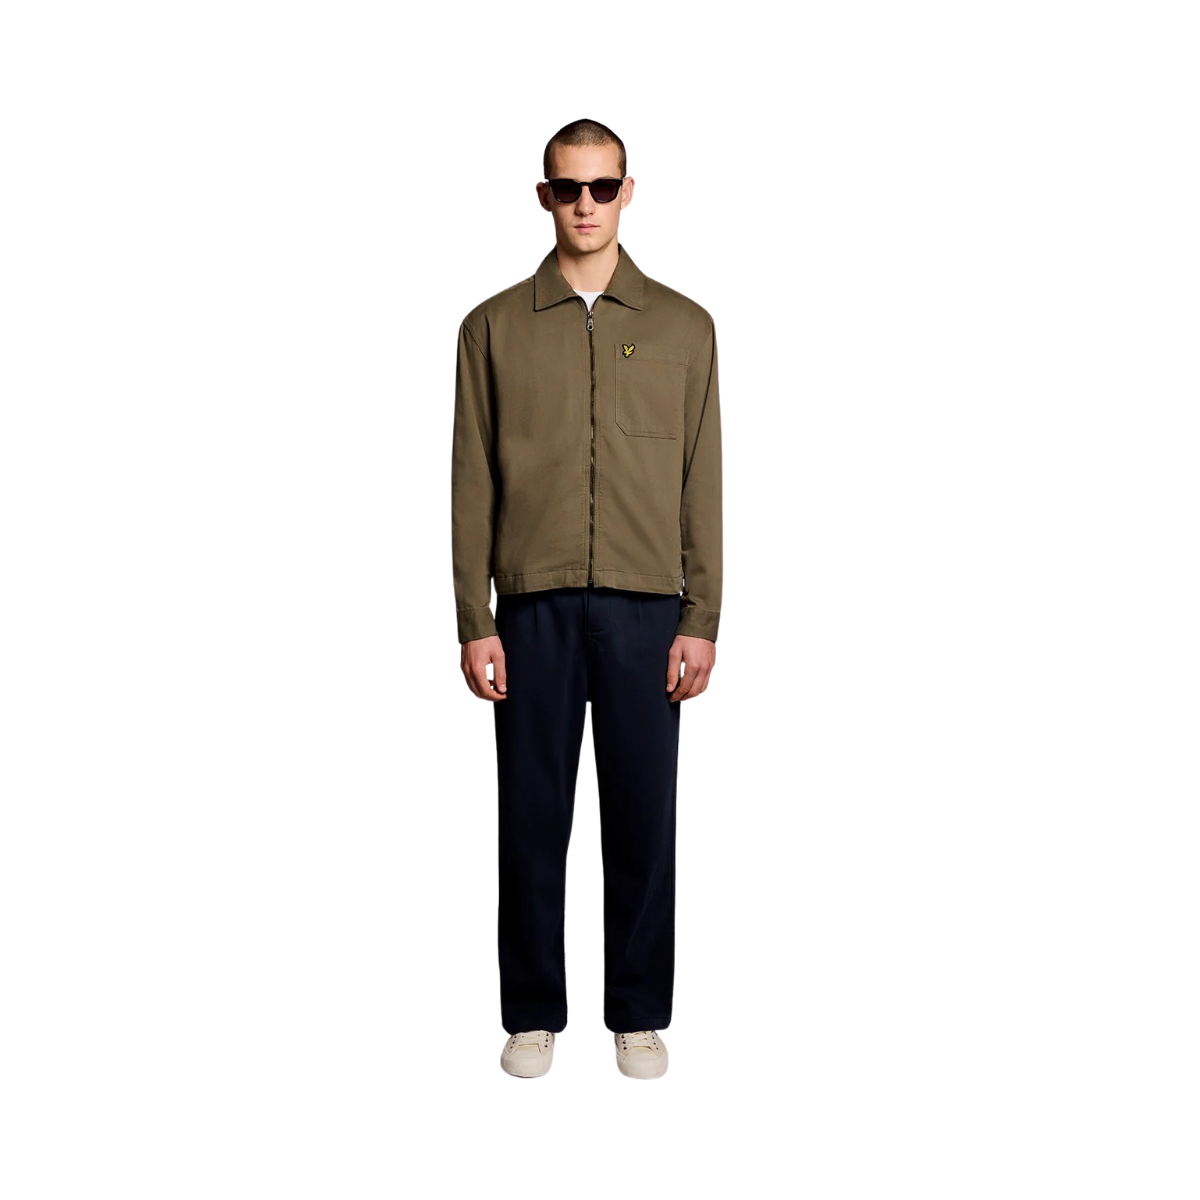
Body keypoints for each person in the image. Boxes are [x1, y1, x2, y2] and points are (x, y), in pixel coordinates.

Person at [451, 119, 722, 1080]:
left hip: (650, 602)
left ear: (629, 192)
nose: (585, 206)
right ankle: (532, 1010)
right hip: (531, 602)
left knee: (645, 813)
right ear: (544, 196)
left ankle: (638, 1012)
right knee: (532, 814)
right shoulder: (491, 326)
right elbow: (471, 483)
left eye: (603, 187)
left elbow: (703, 480)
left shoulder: (686, 326)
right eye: (568, 188)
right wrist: (475, 618)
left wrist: (702, 617)